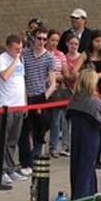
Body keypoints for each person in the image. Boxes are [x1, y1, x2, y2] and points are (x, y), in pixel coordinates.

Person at [18, 30, 57, 173]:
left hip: (40, 97)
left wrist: (43, 97)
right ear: (33, 39)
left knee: (39, 131)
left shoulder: (49, 58)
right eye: (39, 38)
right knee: (24, 130)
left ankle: (35, 158)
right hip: (25, 96)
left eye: (44, 39)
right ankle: (25, 163)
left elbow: (53, 83)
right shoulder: (25, 54)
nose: (41, 41)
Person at [0, 34, 29, 186]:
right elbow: (5, 76)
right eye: (16, 49)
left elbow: (21, 81)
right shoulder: (2, 59)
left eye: (20, 48)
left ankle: (9, 167)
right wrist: (15, 59)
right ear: (9, 47)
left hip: (18, 104)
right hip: (5, 105)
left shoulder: (21, 59)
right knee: (3, 138)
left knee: (13, 138)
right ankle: (0, 169)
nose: (19, 51)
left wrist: (25, 102)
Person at [66, 69, 101, 200]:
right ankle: (84, 196)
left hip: (76, 136)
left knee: (77, 166)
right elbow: (100, 121)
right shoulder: (95, 102)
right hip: (91, 138)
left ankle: (80, 194)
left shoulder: (74, 99)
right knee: (87, 167)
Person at [45, 31, 69, 158]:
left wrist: (54, 77)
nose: (54, 43)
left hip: (56, 92)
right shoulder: (42, 53)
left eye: (56, 41)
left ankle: (53, 147)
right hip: (42, 90)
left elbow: (65, 73)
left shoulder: (60, 55)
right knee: (43, 120)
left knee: (55, 121)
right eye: (52, 40)